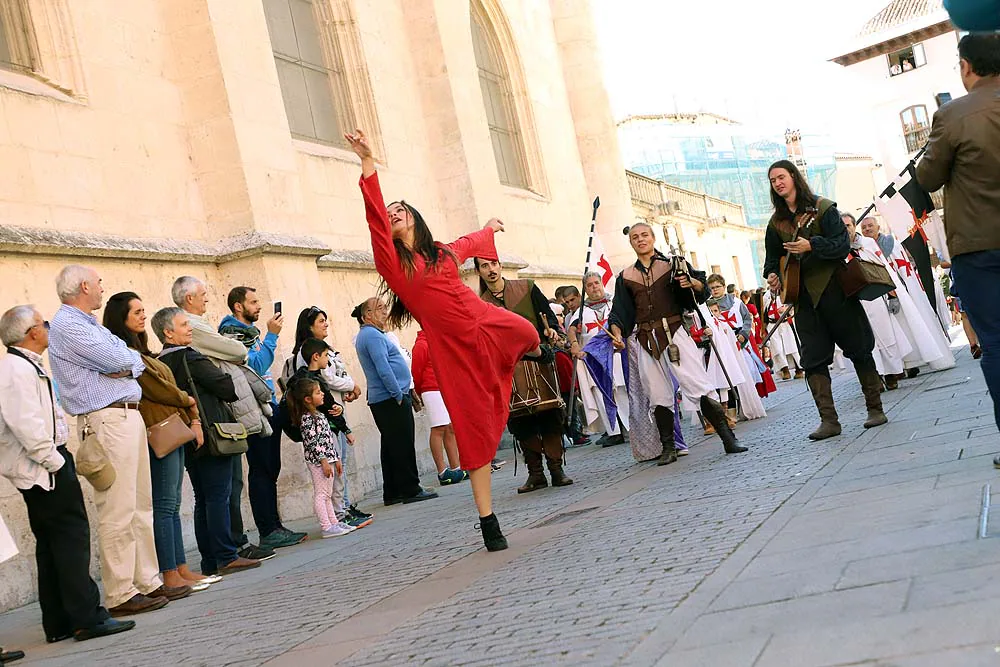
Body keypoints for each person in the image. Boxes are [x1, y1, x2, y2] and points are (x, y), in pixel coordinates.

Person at [347, 128, 543, 552]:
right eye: (391, 212)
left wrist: (488, 228)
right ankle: (488, 520)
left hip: (483, 321)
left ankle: (518, 360)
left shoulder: (442, 252)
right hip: (450, 348)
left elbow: (469, 243)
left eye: (400, 210)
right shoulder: (394, 267)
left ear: (415, 217)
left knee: (528, 331)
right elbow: (375, 221)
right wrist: (367, 164)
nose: (393, 213)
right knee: (472, 435)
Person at [0, 305, 136, 642]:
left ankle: (59, 621)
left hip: (43, 465)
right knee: (71, 539)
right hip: (44, 468)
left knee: (52, 544)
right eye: (42, 324)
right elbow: (26, 424)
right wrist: (55, 462)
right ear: (32, 332)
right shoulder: (16, 369)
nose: (47, 328)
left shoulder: (24, 366)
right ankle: (86, 617)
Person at [47, 265, 170, 617]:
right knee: (118, 507)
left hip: (127, 414)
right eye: (99, 283)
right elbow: (117, 357)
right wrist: (124, 363)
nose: (102, 288)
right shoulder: (69, 324)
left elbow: (130, 359)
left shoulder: (88, 324)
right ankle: (120, 592)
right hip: (107, 417)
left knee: (140, 503)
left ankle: (147, 579)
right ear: (84, 286)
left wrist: (125, 363)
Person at [915, 33, 1000, 467]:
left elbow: (927, 178)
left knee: (996, 341)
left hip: (980, 244)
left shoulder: (952, 115)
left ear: (967, 66)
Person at [762, 161, 887, 440]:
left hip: (836, 291)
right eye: (773, 180)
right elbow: (771, 257)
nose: (778, 183)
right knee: (813, 359)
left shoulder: (823, 208)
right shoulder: (776, 222)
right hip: (804, 299)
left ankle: (875, 408)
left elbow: (842, 245)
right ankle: (829, 421)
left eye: (781, 177)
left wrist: (812, 245)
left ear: (793, 177)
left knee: (858, 348)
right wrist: (773, 274)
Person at [103, 293, 216, 595]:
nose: (143, 316)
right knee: (164, 505)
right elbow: (161, 389)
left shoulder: (142, 352)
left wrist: (188, 411)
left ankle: (179, 567)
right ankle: (169, 572)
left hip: (171, 428)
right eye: (136, 312)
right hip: (158, 431)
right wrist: (188, 402)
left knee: (172, 503)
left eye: (144, 310)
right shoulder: (126, 354)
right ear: (121, 318)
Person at [609, 223, 748, 465]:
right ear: (631, 243)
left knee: (698, 385)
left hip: (675, 333)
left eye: (644, 235)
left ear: (652, 238)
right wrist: (617, 334)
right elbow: (619, 312)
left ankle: (728, 438)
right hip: (645, 339)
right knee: (657, 394)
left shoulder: (673, 264)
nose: (640, 240)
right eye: (635, 237)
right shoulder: (625, 276)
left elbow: (702, 290)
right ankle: (669, 448)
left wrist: (691, 284)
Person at [152, 307, 261, 576]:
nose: (190, 328)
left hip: (185, 435)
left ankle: (209, 560)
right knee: (218, 496)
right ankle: (226, 555)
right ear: (168, 332)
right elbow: (227, 387)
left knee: (203, 498)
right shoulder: (191, 358)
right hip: (212, 433)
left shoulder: (159, 363)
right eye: (183, 325)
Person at [171, 276, 273, 562]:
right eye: (203, 294)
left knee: (216, 491)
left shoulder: (189, 341)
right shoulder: (195, 330)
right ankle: (227, 551)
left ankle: (219, 553)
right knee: (221, 490)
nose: (207, 298)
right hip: (214, 420)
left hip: (210, 419)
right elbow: (237, 354)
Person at [219, 286, 307, 550]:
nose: (259, 306)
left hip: (267, 405)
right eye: (253, 302)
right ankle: (267, 530)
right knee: (261, 469)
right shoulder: (232, 333)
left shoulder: (248, 332)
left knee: (271, 468)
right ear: (238, 306)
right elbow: (255, 365)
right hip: (253, 410)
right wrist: (272, 336)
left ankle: (275, 526)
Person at [477, 257, 574, 493]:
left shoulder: (526, 286)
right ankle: (536, 474)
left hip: (539, 357)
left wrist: (550, 329)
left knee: (550, 415)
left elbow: (548, 316)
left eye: (494, 264)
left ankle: (556, 469)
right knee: (521, 421)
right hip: (509, 366)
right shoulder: (479, 303)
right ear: (479, 271)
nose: (491, 270)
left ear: (500, 265)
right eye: (484, 266)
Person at [279, 306, 370, 526]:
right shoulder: (309, 357)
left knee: (338, 470)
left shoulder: (319, 351)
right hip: (324, 422)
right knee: (330, 478)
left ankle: (341, 512)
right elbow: (327, 382)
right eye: (321, 321)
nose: (326, 324)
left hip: (332, 417)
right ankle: (336, 518)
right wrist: (352, 385)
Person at [353, 297, 438, 506]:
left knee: (391, 446)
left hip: (386, 398)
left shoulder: (372, 334)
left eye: (385, 307)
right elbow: (383, 368)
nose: (385, 311)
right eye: (379, 308)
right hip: (390, 398)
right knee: (402, 445)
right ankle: (410, 488)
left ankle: (392, 491)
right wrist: (398, 394)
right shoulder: (372, 336)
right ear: (367, 316)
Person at [859, 217, 954, 375]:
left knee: (911, 326)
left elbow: (902, 267)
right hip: (884, 297)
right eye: (864, 227)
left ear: (878, 227)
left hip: (902, 292)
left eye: (870, 226)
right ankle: (906, 365)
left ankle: (915, 362)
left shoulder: (891, 244)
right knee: (898, 332)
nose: (867, 229)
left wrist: (898, 292)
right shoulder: (864, 249)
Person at [840, 216, 911, 390]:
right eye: (841, 226)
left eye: (848, 225)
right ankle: (875, 377)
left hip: (876, 296)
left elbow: (882, 268)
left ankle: (892, 373)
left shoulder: (868, 243)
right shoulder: (837, 249)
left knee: (887, 336)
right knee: (864, 341)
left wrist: (892, 295)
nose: (845, 228)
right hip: (856, 300)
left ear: (854, 226)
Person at [284, 376, 357, 538]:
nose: (322, 394)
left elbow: (328, 440)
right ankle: (326, 526)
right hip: (319, 462)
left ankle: (333, 523)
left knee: (328, 493)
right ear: (308, 399)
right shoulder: (307, 419)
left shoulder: (320, 415)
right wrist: (323, 460)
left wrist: (336, 458)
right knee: (322, 494)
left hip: (329, 459)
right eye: (318, 392)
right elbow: (313, 441)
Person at [566, 272, 629, 447]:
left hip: (617, 355)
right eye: (590, 285)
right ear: (585, 289)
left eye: (596, 283)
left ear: (602, 283)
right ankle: (614, 431)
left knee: (622, 390)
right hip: (596, 360)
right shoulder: (581, 311)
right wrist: (574, 344)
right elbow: (572, 330)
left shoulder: (614, 303)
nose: (594, 287)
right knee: (602, 393)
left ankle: (631, 427)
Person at [411, 329, 467, 485]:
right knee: (438, 428)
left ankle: (456, 468)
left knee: (450, 428)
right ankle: (442, 472)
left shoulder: (439, 341)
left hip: (444, 389)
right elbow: (416, 371)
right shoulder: (421, 344)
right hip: (431, 390)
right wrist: (418, 393)